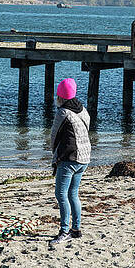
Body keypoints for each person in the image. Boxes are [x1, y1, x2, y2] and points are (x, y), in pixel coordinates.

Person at [49, 78, 91, 246]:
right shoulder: (83, 110)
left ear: (60, 96)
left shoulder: (62, 113)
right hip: (85, 157)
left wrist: (54, 155)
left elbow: (53, 136)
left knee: (61, 194)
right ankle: (76, 229)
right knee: (73, 194)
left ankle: (64, 230)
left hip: (69, 158)